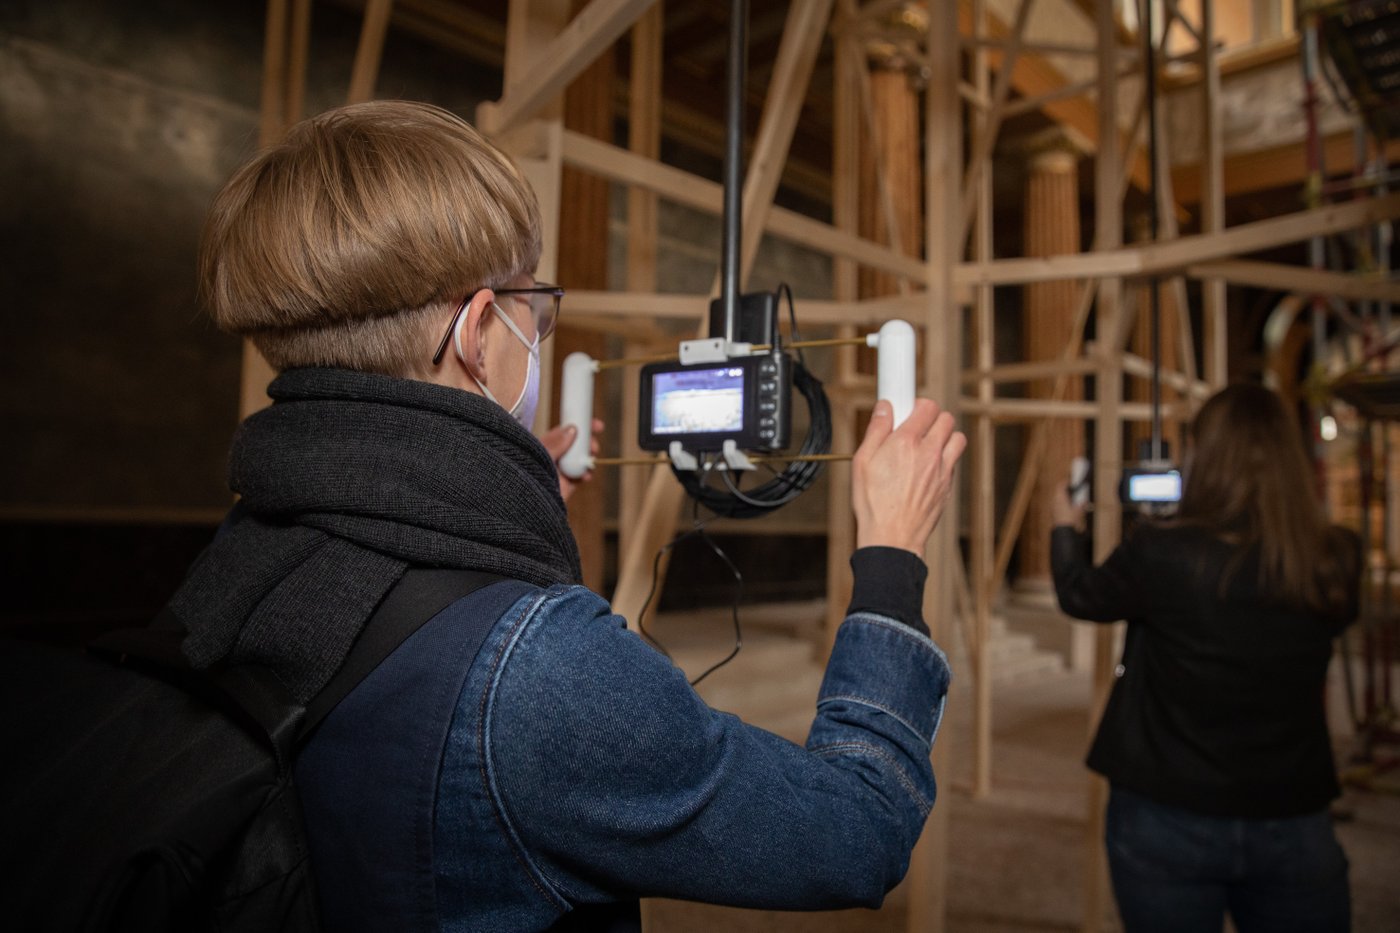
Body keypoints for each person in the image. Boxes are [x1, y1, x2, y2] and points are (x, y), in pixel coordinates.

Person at [174, 99, 966, 931]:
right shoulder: (541, 672)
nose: (541, 334)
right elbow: (854, 831)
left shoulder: (240, 555)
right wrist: (891, 555)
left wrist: (500, 520)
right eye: (536, 311)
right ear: (480, 333)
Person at [1048, 384, 1361, 933]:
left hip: (1166, 811)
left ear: (1204, 455)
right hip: (1292, 813)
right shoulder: (1335, 556)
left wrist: (1064, 529)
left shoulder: (1162, 550)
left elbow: (1081, 595)